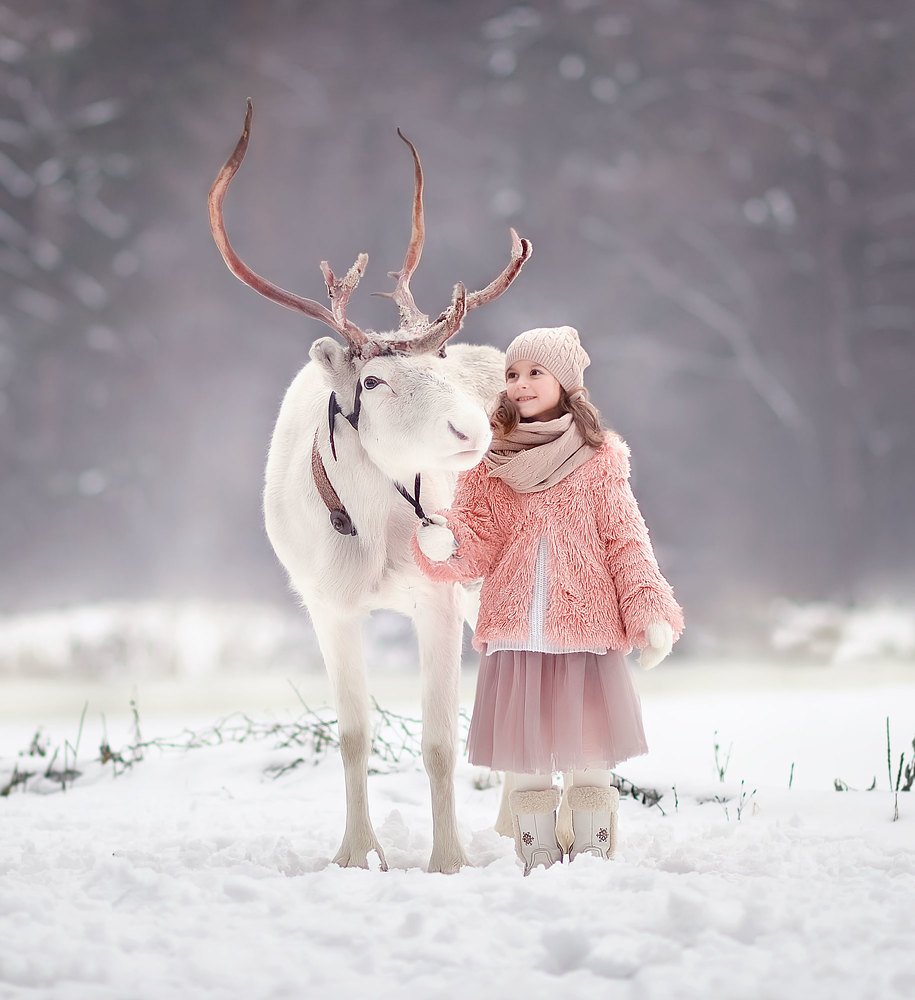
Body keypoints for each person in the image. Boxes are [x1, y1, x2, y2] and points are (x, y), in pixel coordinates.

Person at [411, 326, 683, 875]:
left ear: (565, 381)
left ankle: (592, 855)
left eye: (535, 372)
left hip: (585, 631)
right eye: (513, 373)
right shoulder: (491, 459)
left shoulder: (599, 459)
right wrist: (448, 542)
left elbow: (626, 540)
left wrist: (650, 609)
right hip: (516, 631)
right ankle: (536, 857)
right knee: (527, 756)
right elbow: (479, 536)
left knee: (590, 752)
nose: (521, 383)